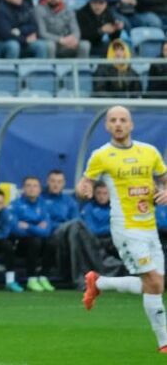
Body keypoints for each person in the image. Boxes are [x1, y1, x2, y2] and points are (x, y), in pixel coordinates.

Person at [80, 106, 167, 351]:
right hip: (125, 228)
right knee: (153, 282)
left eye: (123, 120)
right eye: (113, 120)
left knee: (156, 284)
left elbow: (164, 177)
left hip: (149, 226)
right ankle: (164, 343)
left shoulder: (149, 152)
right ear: (107, 126)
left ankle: (99, 283)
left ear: (131, 125)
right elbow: (85, 182)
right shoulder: (101, 155)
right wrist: (84, 189)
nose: (118, 124)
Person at [9, 176, 55, 292]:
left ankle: (44, 277)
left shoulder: (44, 205)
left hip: (38, 239)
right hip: (20, 243)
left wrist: (28, 226)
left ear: (40, 189)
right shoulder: (16, 205)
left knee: (51, 241)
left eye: (35, 186)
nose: (32, 189)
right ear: (23, 188)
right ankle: (32, 278)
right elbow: (16, 229)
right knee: (35, 241)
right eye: (28, 186)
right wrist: (37, 226)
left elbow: (47, 230)